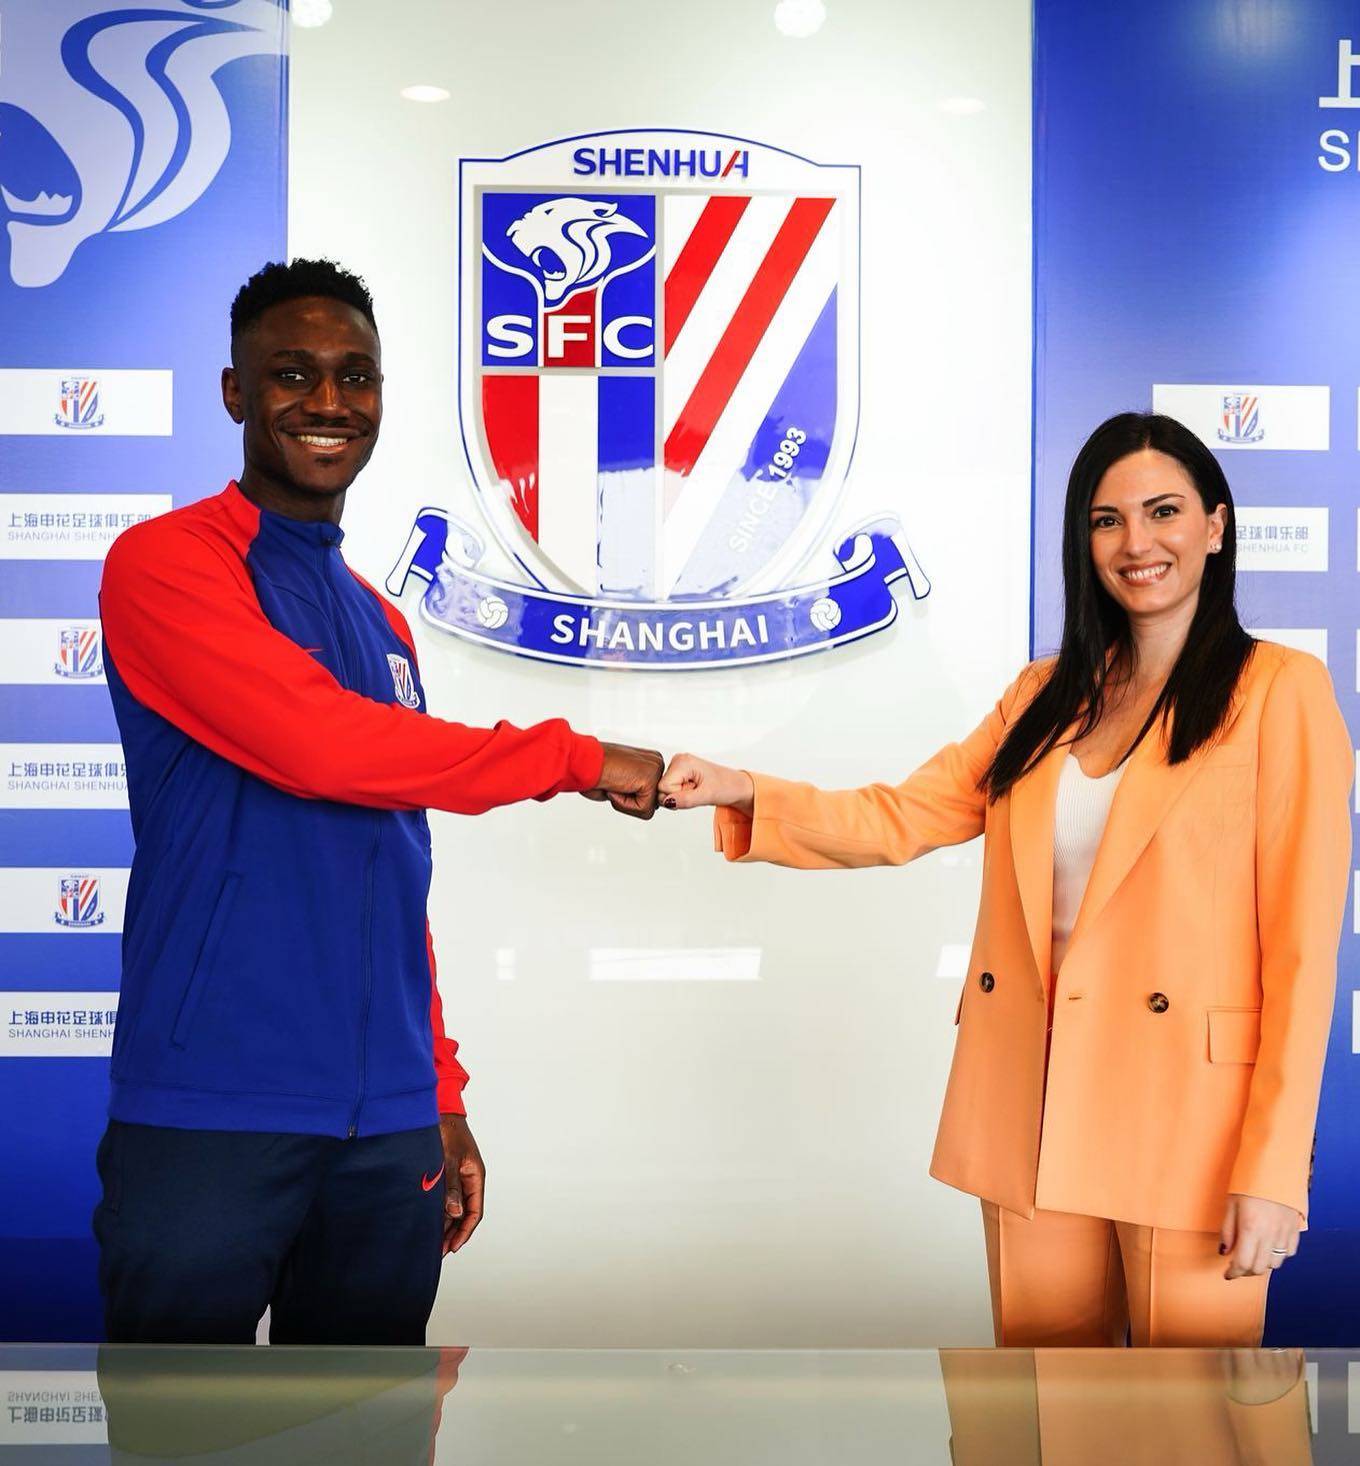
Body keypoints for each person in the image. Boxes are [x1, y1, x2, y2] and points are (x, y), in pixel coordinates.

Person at [658, 412, 1353, 1347]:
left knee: (1190, 1416)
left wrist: (1272, 1168)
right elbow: (904, 815)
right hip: (1034, 1101)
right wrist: (745, 789)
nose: (1136, 542)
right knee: (1037, 1406)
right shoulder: (1044, 694)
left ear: (1216, 526)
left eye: (1163, 512)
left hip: (1194, 1121)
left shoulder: (1279, 690)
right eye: (1107, 520)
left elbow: (1304, 956)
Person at [95, 257, 664, 1345]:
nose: (328, 400)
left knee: (370, 1423)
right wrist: (577, 757)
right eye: (292, 373)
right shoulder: (167, 563)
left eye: (354, 376)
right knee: (178, 1423)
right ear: (235, 391)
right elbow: (320, 744)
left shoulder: (379, 618)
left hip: (388, 1127)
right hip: (212, 1111)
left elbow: (396, 865)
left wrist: (437, 1090)